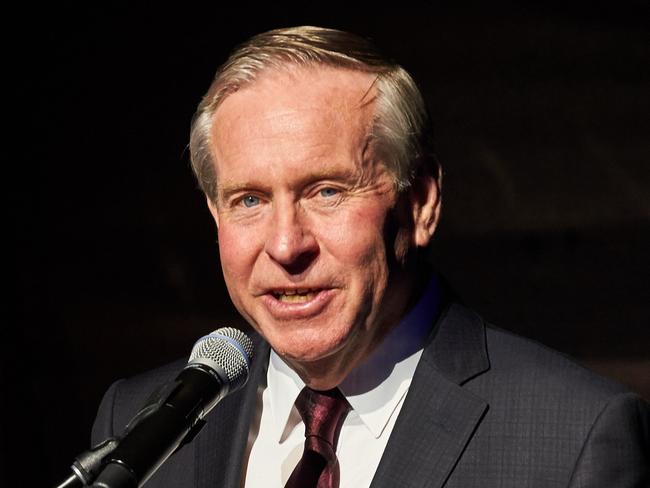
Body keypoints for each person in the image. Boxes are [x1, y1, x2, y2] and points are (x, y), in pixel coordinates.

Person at [92, 26, 649, 487]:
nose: (286, 246)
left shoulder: (574, 440)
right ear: (214, 215)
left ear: (421, 203)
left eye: (327, 191)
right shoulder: (138, 427)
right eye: (250, 200)